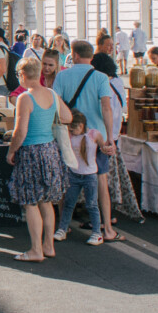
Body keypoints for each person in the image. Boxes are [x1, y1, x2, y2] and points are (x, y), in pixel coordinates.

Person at [52, 40, 120, 242]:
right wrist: (109, 138)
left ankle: (64, 226)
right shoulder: (100, 77)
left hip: (69, 136)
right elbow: (106, 107)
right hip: (95, 135)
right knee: (100, 181)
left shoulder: (62, 75)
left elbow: (56, 106)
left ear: (73, 54)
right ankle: (106, 228)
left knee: (67, 181)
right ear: (91, 55)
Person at [7, 57, 73, 262]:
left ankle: (36, 250)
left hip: (30, 152)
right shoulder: (52, 94)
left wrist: (11, 151)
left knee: (30, 202)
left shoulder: (25, 98)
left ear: (23, 75)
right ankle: (48, 246)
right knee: (46, 201)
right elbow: (68, 117)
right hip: (50, 150)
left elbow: (21, 131)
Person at [53, 111, 104, 247]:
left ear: (81, 126)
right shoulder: (69, 136)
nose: (72, 130)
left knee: (92, 204)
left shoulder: (93, 134)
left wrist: (107, 148)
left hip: (90, 174)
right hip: (74, 174)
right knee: (69, 203)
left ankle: (97, 233)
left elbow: (103, 147)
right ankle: (63, 228)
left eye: (74, 128)